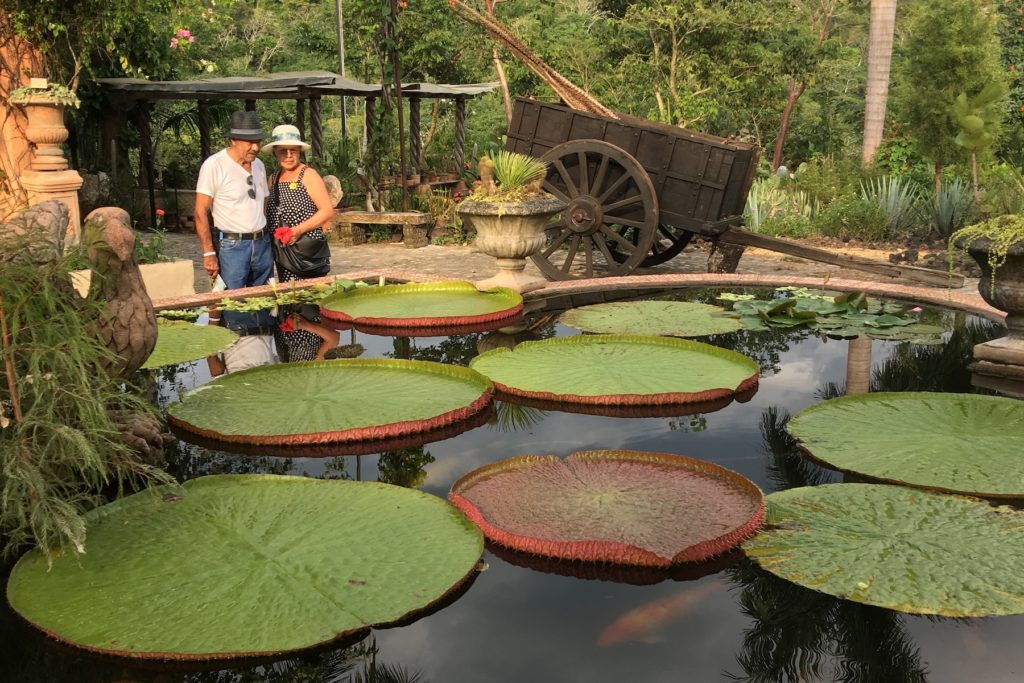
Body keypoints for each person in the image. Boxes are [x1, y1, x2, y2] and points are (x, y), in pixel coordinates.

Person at [194, 110, 273, 289]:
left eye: (258, 141)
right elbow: (200, 211)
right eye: (249, 142)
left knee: (265, 299)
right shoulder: (215, 165)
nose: (255, 147)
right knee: (233, 303)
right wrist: (208, 252)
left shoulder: (259, 165)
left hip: (262, 244)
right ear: (234, 140)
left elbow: (264, 202)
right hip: (232, 247)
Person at [262, 124, 336, 282]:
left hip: (306, 252)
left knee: (307, 298)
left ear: (299, 152)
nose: (288, 155)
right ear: (275, 152)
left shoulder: (308, 175)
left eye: (293, 150)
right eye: (283, 151)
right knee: (289, 298)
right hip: (282, 252)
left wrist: (298, 230)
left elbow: (327, 210)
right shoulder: (273, 178)